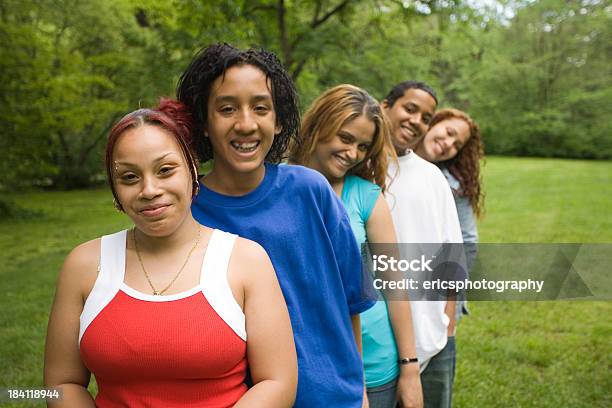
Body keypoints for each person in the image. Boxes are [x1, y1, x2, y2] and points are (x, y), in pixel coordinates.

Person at [44, 99, 297, 407]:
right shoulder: (83, 266)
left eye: (165, 170)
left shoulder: (246, 262)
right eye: (129, 177)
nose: (149, 189)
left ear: (192, 169)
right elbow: (61, 384)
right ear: (115, 189)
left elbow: (277, 382)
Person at [177, 44, 375, 407]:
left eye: (260, 107)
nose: (246, 123)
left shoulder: (311, 191)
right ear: (203, 123)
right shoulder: (187, 212)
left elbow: (351, 301)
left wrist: (358, 390)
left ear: (279, 119)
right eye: (226, 108)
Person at [289, 84, 423, 408]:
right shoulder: (277, 185)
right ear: (319, 125)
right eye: (345, 138)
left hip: (373, 362)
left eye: (362, 146)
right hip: (296, 363)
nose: (352, 153)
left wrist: (410, 369)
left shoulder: (366, 197)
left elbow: (395, 286)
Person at [383, 82, 463, 408]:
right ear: (385, 106)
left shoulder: (432, 177)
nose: (417, 120)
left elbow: (451, 253)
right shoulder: (359, 169)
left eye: (426, 116)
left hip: (433, 336)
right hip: (380, 341)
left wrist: (447, 321)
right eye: (410, 109)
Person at [415, 108, 484, 319]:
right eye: (449, 132)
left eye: (457, 145)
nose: (448, 143)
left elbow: (468, 239)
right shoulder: (382, 163)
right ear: (434, 122)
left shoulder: (451, 186)